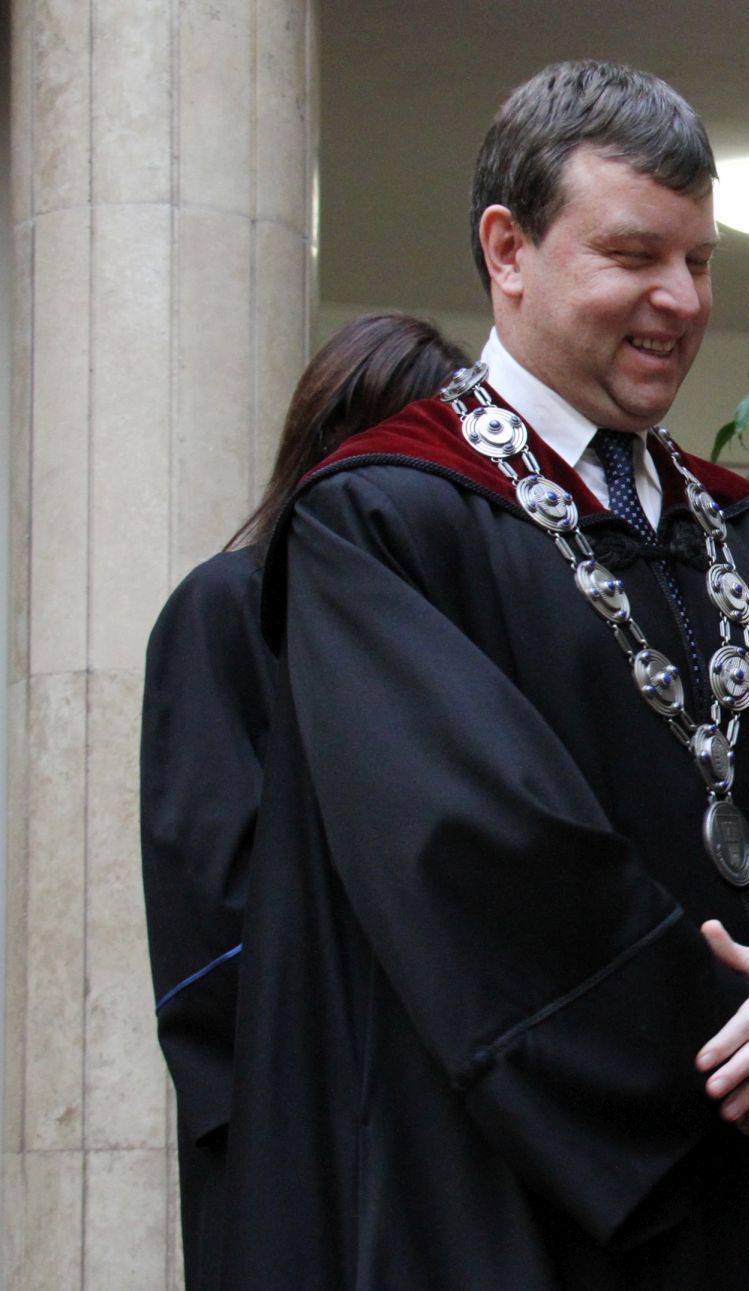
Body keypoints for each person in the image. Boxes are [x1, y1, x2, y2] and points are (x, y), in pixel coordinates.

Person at [216, 61, 749, 1286]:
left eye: (699, 260)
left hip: (734, 1202)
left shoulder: (737, 535)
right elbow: (480, 860)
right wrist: (739, 1056)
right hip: (492, 1199)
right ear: (507, 251)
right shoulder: (381, 522)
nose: (679, 298)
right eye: (634, 256)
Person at [140, 311, 469, 1291]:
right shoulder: (228, 607)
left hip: (447, 1126)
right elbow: (214, 893)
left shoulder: (452, 640)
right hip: (296, 1112)